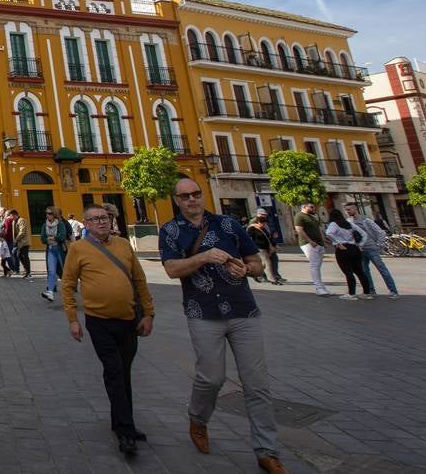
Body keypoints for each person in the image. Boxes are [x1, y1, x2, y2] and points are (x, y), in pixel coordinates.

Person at [159, 178, 287, 474]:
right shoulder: (170, 231)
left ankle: (266, 451)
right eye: (185, 196)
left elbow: (255, 263)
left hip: (244, 312)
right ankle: (198, 418)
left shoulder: (229, 225)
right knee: (211, 377)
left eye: (196, 194)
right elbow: (171, 269)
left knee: (257, 384)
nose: (192, 200)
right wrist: (203, 257)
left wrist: (248, 269)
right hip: (203, 312)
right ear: (177, 200)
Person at [62, 203, 155, 457]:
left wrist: (148, 313)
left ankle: (121, 421)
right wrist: (72, 318)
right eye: (95, 219)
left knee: (123, 371)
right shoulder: (78, 249)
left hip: (128, 319)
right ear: (86, 224)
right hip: (98, 321)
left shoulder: (124, 245)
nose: (101, 222)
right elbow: (68, 284)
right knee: (114, 370)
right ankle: (126, 431)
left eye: (104, 218)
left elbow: (139, 280)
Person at [344, 202, 398, 297]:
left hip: (371, 248)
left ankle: (393, 291)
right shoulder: (349, 221)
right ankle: (370, 290)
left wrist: (378, 245)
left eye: (349, 209)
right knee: (364, 271)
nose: (347, 211)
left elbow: (380, 232)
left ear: (355, 209)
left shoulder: (365, 220)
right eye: (346, 210)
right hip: (360, 250)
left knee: (382, 269)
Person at [324, 207, 373, 300]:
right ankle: (367, 293)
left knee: (348, 272)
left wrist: (338, 242)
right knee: (360, 271)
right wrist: (360, 244)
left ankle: (351, 294)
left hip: (343, 249)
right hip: (355, 248)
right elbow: (364, 234)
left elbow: (328, 233)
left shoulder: (334, 224)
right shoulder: (349, 224)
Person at [293, 201, 330, 296]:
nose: (313, 209)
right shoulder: (299, 216)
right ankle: (319, 287)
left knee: (318, 265)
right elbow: (299, 230)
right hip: (308, 244)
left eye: (314, 207)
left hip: (318, 243)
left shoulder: (312, 217)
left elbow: (318, 230)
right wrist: (310, 241)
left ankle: (322, 286)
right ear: (304, 207)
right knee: (315, 265)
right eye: (311, 207)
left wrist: (323, 241)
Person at [39, 206, 72, 301]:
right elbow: (42, 239)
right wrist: (51, 238)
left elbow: (62, 236)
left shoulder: (60, 224)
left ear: (54, 215)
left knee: (64, 271)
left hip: (60, 249)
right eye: (46, 213)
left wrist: (51, 238)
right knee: (51, 271)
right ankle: (50, 292)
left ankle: (69, 291)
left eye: (50, 213)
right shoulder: (44, 225)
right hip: (50, 249)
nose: (47, 215)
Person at [246, 211, 286, 285]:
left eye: (265, 223)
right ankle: (272, 279)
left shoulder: (263, 228)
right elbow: (248, 239)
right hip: (259, 248)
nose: (264, 225)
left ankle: (257, 274)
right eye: (263, 223)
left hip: (268, 248)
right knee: (267, 263)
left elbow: (268, 238)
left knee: (271, 261)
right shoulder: (251, 229)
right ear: (258, 222)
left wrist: (275, 245)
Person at [10, 209, 32, 278]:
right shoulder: (14, 221)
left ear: (15, 215)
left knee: (25, 256)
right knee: (18, 255)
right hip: (19, 242)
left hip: (24, 242)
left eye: (12, 216)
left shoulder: (22, 220)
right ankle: (26, 270)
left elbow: (22, 232)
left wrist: (16, 239)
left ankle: (28, 272)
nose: (11, 217)